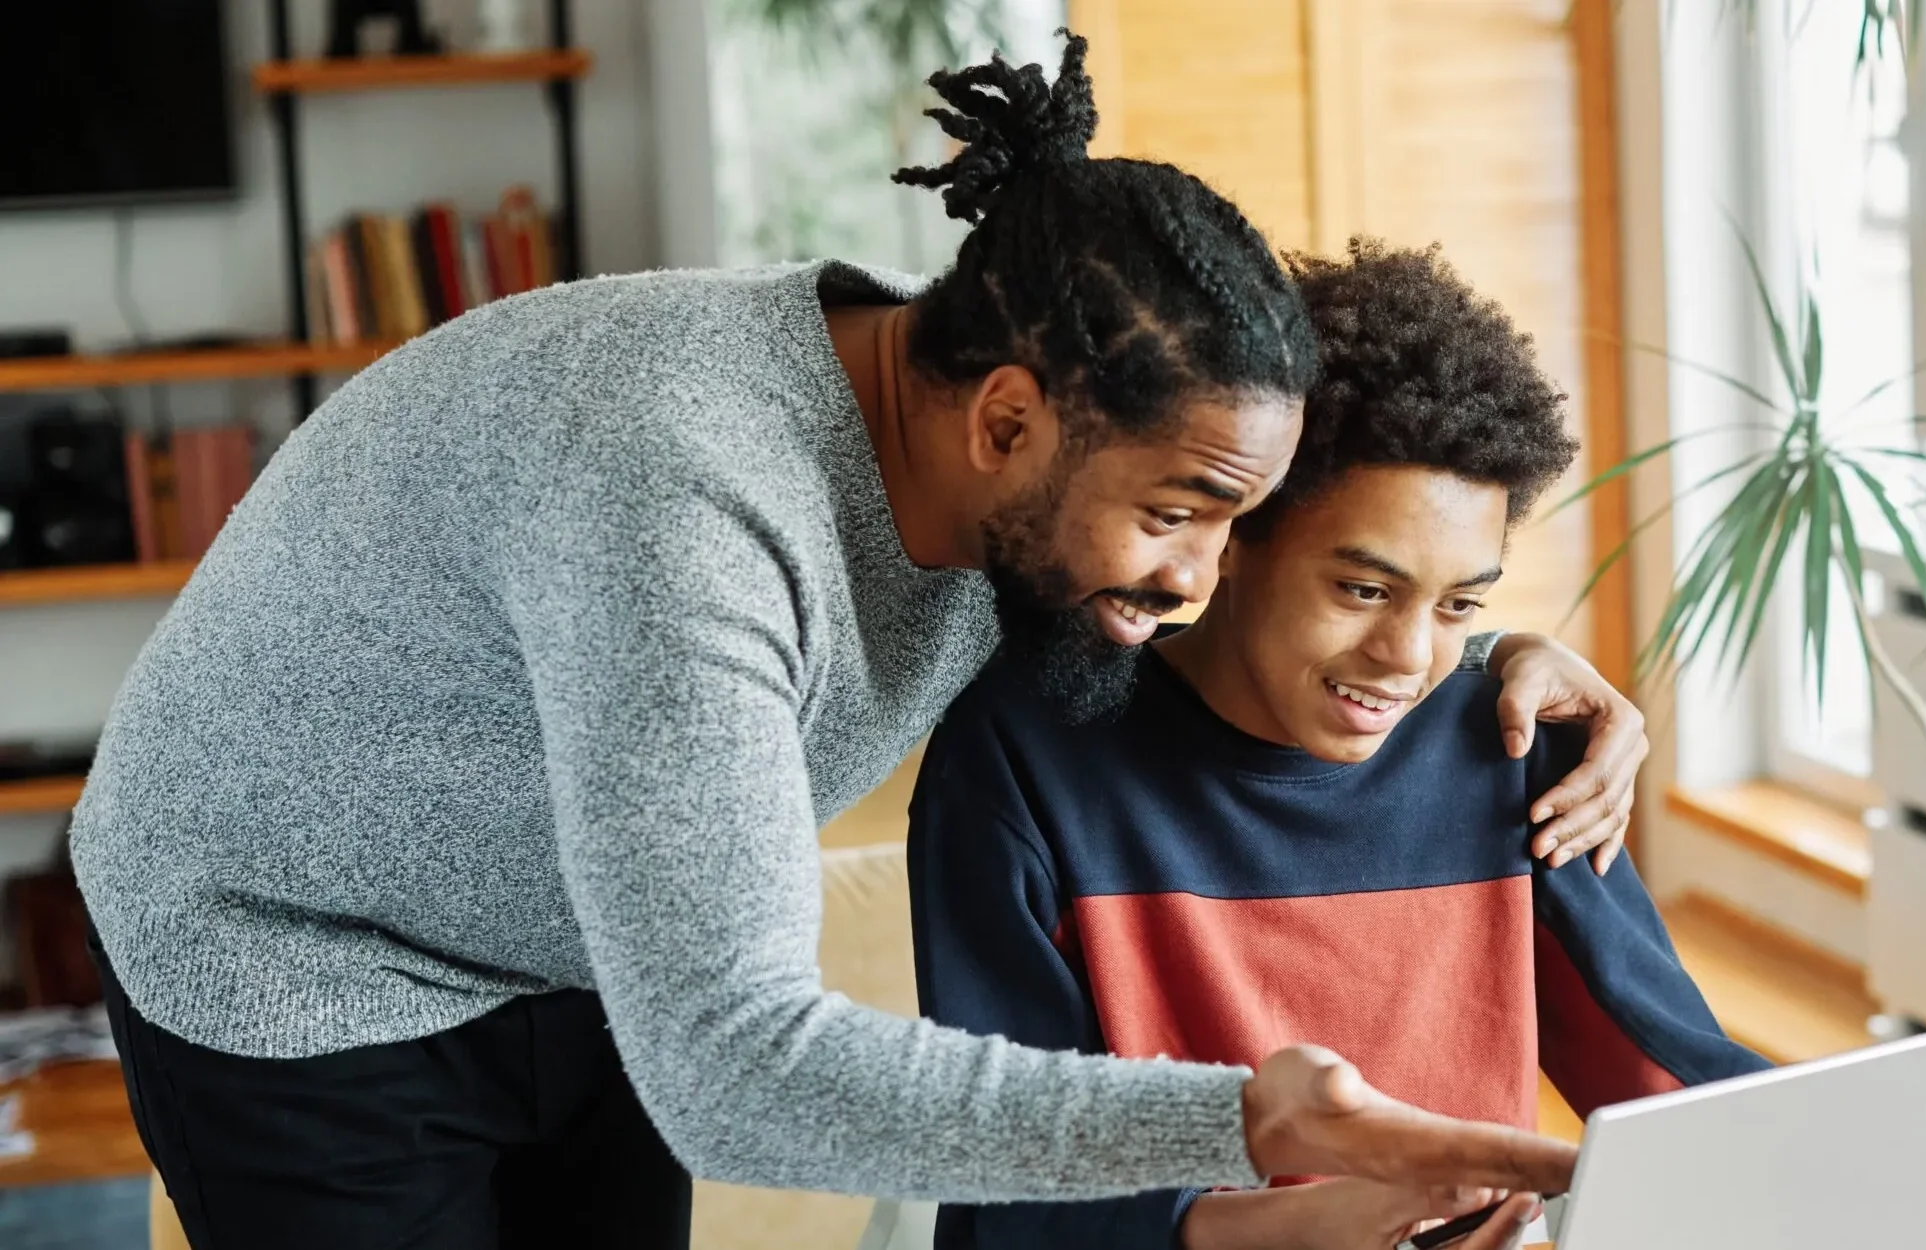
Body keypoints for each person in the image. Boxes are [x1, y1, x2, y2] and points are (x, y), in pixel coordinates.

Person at [65, 36, 1635, 1250]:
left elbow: (1294, 633)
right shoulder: (690, 504)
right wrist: (1247, 1119)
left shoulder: (1013, 445)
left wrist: (1511, 677)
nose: (1205, 578)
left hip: (586, 942)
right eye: (1185, 514)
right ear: (1009, 419)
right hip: (299, 946)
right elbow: (737, 1068)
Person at [907, 240, 1773, 1250]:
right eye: (1361, 588)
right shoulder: (1025, 759)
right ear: (1233, 537)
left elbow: (1679, 1093)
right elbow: (1002, 1181)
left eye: (1459, 604)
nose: (1407, 656)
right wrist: (1284, 1226)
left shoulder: (1512, 747)